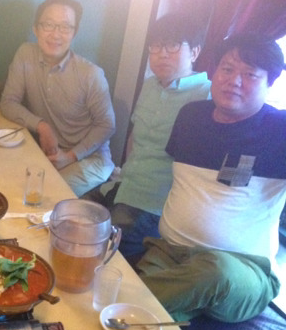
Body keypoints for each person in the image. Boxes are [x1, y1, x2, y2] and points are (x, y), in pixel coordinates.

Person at [136, 33, 285, 323]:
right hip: (168, 254)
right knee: (149, 327)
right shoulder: (190, 116)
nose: (234, 81)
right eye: (227, 69)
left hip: (241, 270)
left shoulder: (279, 130)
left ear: (271, 82)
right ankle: (158, 312)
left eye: (250, 74)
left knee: (215, 271)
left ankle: (123, 305)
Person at [84, 13, 211, 259]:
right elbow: (135, 137)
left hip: (153, 205)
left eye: (172, 45)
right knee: (66, 214)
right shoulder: (151, 85)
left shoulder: (206, 97)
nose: (162, 54)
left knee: (99, 251)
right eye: (156, 46)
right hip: (122, 186)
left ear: (194, 52)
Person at [0, 0, 116, 197]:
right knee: (4, 179)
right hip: (49, 153)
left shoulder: (90, 74)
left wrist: (71, 156)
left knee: (41, 195)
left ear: (74, 33)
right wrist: (42, 126)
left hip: (90, 160)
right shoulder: (25, 54)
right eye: (48, 25)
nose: (56, 34)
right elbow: (8, 102)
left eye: (65, 27)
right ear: (36, 29)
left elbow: (107, 125)